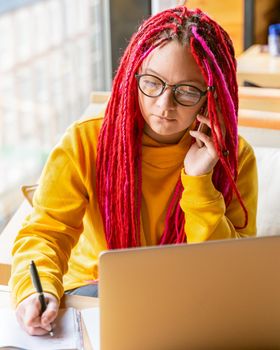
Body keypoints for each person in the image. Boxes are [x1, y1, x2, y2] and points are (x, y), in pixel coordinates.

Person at [10, 5, 257, 336]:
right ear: (133, 73)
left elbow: (234, 273)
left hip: (191, 303)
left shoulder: (234, 156)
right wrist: (34, 290)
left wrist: (200, 183)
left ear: (210, 94)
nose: (163, 105)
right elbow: (46, 232)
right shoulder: (85, 140)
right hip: (95, 295)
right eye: (152, 83)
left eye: (186, 91)